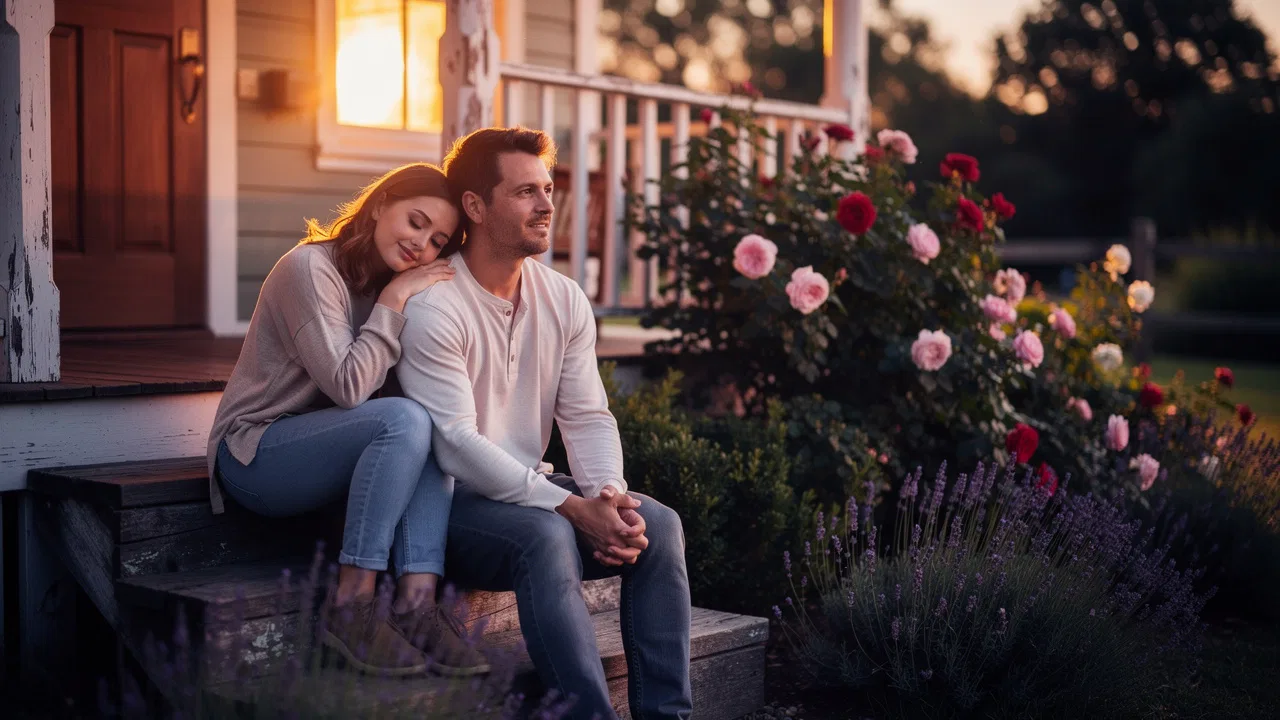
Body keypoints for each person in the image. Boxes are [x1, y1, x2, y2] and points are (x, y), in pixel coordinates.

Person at [394, 128, 693, 719]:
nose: (547, 204)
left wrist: (606, 493)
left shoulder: (564, 298)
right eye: (526, 191)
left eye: (548, 188)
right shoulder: (434, 306)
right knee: (548, 534)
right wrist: (570, 509)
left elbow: (586, 414)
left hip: (531, 490)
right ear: (476, 207)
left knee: (656, 523)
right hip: (454, 508)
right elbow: (456, 445)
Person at [205, 163, 488, 678]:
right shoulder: (310, 270)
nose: (420, 243)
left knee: (426, 417)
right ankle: (352, 605)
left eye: (436, 239)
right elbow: (349, 386)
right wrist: (396, 299)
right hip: (255, 456)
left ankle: (416, 605)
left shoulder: (397, 285)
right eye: (415, 221)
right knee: (403, 418)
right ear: (380, 205)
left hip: (331, 459)